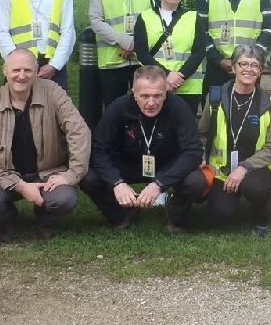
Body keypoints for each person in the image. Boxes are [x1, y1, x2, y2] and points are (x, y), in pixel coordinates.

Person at [0, 49, 91, 241]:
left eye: (27, 70)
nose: (21, 76)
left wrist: (71, 174)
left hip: (48, 171)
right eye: (16, 70)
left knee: (64, 199)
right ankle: (6, 220)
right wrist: (18, 185)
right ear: (5, 70)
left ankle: (46, 220)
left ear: (36, 71)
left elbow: (79, 131)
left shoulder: (54, 92)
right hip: (5, 174)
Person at [81, 65, 203, 233]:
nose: (151, 103)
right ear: (133, 92)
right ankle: (122, 213)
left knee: (196, 181)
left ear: (166, 91)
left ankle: (175, 215)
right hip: (128, 163)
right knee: (88, 177)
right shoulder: (119, 107)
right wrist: (116, 183)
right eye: (144, 96)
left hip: (166, 164)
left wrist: (160, 184)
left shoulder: (179, 108)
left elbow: (193, 152)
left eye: (157, 96)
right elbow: (98, 149)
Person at [197, 45, 271, 235]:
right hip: (222, 170)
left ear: (260, 72)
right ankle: (227, 202)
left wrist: (244, 168)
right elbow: (201, 134)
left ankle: (259, 212)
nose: (248, 69)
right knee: (221, 213)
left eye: (255, 65)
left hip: (257, 169)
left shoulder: (270, 105)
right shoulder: (216, 97)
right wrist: (200, 157)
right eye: (243, 63)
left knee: (257, 188)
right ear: (232, 68)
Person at [90, 0, 156, 110]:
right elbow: (96, 22)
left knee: (146, 109)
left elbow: (156, 19)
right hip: (112, 61)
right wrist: (126, 41)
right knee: (114, 112)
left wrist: (136, 45)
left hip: (142, 62)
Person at [134, 0, 206, 116]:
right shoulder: (144, 18)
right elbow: (142, 53)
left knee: (183, 133)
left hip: (189, 88)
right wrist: (166, 75)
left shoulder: (193, 18)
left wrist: (179, 78)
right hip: (154, 89)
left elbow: (199, 52)